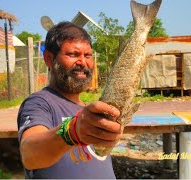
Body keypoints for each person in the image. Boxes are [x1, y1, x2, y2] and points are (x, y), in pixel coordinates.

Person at [17, 21, 123, 179]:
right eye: (73, 54)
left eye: (87, 55)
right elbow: (29, 153)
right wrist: (72, 131)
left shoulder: (88, 110)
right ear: (48, 59)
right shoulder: (39, 102)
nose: (83, 63)